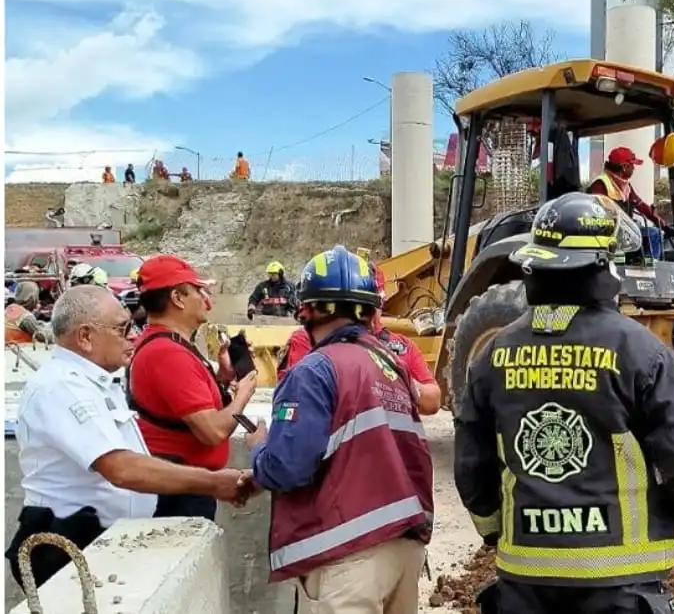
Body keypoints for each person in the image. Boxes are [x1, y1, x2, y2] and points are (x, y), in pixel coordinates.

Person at [455, 192, 674, 614]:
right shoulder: (643, 353)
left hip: (524, 582)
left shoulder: (492, 355)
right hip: (618, 583)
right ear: (603, 266)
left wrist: (495, 530)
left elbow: (472, 463)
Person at [5, 286, 250, 592]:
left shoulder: (98, 383)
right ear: (85, 337)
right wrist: (213, 483)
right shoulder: (61, 388)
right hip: (67, 544)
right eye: (122, 328)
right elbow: (121, 468)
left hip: (100, 539)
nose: (133, 335)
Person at [240, 245, 434, 614]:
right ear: (371, 312)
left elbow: (286, 467)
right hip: (404, 547)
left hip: (348, 557)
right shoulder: (393, 366)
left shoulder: (314, 371)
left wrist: (258, 448)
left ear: (306, 311)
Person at [126, 254, 259, 520]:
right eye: (198, 290)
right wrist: (244, 393)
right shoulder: (168, 353)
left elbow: (178, 405)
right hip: (180, 494)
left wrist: (221, 377)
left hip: (182, 484)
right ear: (177, 298)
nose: (205, 299)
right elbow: (212, 431)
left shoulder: (167, 345)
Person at [275, 263, 442, 416]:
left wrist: (398, 384)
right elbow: (286, 407)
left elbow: (433, 401)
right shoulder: (306, 340)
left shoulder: (401, 346)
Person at [586, 146, 665, 228]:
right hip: (609, 234)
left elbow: (641, 206)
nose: (634, 168)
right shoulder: (600, 185)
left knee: (651, 232)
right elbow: (595, 216)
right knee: (653, 234)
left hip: (625, 232)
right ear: (624, 167)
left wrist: (662, 224)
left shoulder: (625, 187)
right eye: (632, 165)